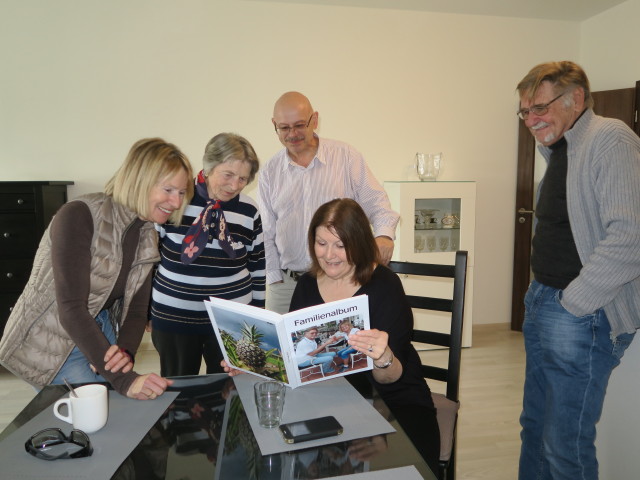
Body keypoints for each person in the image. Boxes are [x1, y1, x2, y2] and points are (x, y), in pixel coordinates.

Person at [516, 61, 640, 479]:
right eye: (525, 112)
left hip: (578, 315)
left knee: (564, 445)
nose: (531, 120)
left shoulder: (610, 138)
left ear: (577, 99)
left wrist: (574, 304)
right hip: (544, 301)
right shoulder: (563, 149)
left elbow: (630, 237)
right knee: (534, 430)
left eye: (539, 108)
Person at [0, 138, 193, 400]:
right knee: (92, 417)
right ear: (140, 180)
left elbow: (137, 312)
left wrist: (123, 353)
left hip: (96, 326)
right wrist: (124, 379)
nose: (176, 201)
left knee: (107, 414)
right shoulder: (79, 215)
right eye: (169, 190)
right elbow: (70, 308)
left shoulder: (147, 232)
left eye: (181, 193)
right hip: (53, 334)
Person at [290, 198, 440, 473]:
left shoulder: (385, 285)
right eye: (321, 243)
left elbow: (392, 376)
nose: (329, 255)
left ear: (358, 244)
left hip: (393, 401)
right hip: (329, 401)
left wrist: (383, 358)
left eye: (341, 245)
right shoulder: (306, 285)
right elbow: (296, 360)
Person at [258, 91, 400, 314]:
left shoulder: (346, 157)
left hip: (341, 279)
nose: (292, 134)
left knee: (338, 345)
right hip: (287, 284)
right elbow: (267, 232)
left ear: (314, 120)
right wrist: (274, 278)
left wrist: (383, 235)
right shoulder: (270, 171)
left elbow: (378, 204)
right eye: (284, 128)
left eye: (299, 125)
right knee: (281, 348)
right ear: (274, 125)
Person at [150, 132, 265, 377]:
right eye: (228, 175)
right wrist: (145, 310)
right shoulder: (175, 200)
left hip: (231, 321)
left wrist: (257, 316)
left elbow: (257, 266)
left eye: (243, 178)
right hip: (175, 317)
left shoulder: (249, 210)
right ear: (209, 167)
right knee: (178, 393)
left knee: (228, 389)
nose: (235, 185)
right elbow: (148, 258)